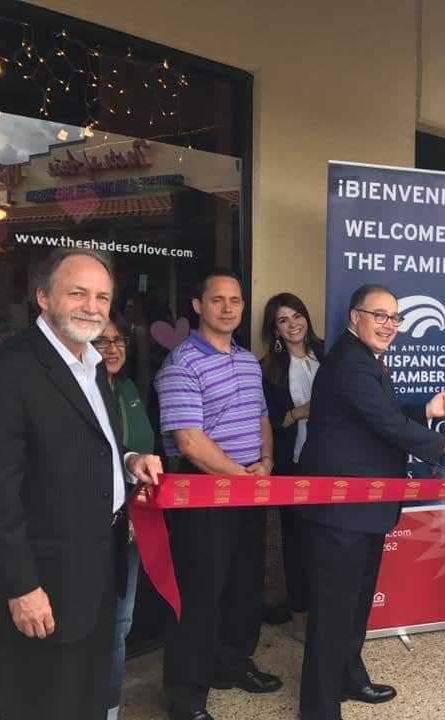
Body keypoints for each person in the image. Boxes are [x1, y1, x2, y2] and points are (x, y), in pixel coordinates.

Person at [0, 248, 161, 720]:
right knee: (42, 704)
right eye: (77, 293)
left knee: (88, 699)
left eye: (102, 297)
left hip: (98, 568)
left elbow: (90, 445)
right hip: (43, 583)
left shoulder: (94, 365)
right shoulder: (5, 373)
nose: (92, 307)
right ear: (42, 297)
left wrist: (130, 459)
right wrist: (21, 587)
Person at [296, 283, 445, 720]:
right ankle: (319, 708)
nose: (389, 325)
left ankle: (349, 678)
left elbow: (383, 413)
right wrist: (441, 444)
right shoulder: (351, 364)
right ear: (354, 317)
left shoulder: (364, 360)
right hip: (342, 513)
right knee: (334, 613)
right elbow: (385, 423)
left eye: (394, 318)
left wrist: (428, 412)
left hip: (364, 511)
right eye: (379, 315)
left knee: (354, 606)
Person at [155, 270, 281, 720]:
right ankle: (186, 697)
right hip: (204, 493)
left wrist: (265, 462)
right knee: (199, 595)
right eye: (217, 300)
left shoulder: (248, 361)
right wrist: (240, 476)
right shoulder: (182, 364)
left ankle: (232, 664)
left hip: (248, 488)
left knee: (245, 587)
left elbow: (261, 418)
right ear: (198, 306)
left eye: (235, 300)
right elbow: (189, 441)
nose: (227, 308)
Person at [97, 310, 157, 720]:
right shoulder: (81, 393)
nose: (112, 349)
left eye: (118, 341)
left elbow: (135, 447)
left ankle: (109, 710)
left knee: (121, 621)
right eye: (102, 341)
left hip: (131, 525)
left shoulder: (130, 387)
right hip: (89, 530)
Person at [259, 292, 325, 642]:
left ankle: (325, 613)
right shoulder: (266, 368)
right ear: (275, 328)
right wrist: (301, 411)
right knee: (297, 545)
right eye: (283, 320)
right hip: (292, 466)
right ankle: (299, 619)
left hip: (331, 464)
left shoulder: (328, 354)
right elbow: (267, 421)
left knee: (326, 541)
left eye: (297, 315)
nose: (293, 324)